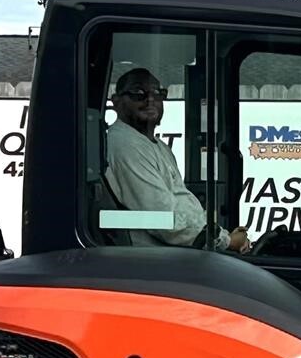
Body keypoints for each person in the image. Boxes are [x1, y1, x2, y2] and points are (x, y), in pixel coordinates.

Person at [104, 67, 249, 252]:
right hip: (153, 259)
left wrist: (222, 235)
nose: (150, 99)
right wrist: (225, 241)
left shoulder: (157, 146)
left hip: (176, 251)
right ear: (116, 102)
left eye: (158, 93)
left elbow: (178, 204)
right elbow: (163, 218)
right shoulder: (125, 145)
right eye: (138, 93)